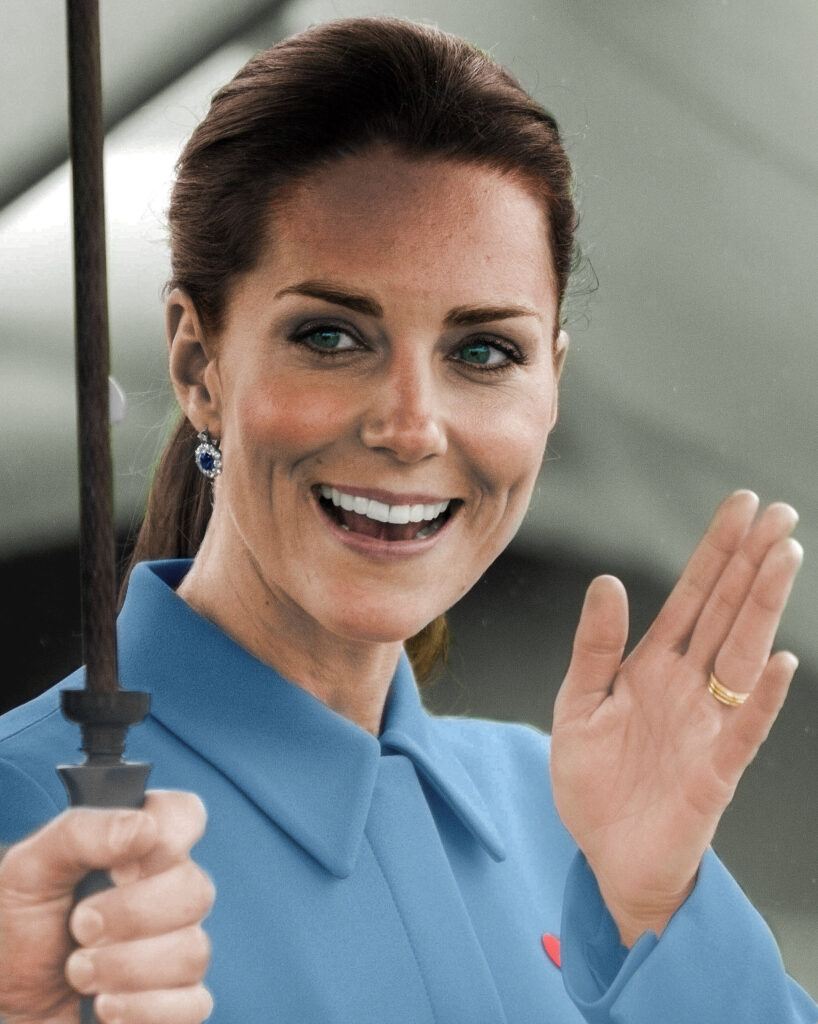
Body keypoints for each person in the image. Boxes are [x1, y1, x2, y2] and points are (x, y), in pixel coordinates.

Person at [0, 16, 815, 1024]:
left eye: (481, 353)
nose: (409, 426)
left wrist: (653, 910)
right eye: (331, 335)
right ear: (197, 364)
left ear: (549, 384)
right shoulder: (27, 828)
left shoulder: (570, 811)